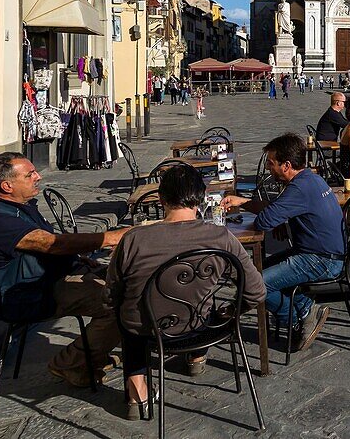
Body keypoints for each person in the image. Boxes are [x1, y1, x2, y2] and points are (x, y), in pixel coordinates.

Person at [106, 165, 265, 418]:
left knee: (128, 314)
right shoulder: (221, 237)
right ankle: (196, 359)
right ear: (201, 199)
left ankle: (138, 394)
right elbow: (256, 292)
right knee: (200, 298)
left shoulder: (134, 239)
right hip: (199, 327)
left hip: (146, 330)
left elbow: (112, 292)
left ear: (161, 199)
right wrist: (233, 311)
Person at [0, 153, 130, 387]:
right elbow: (53, 244)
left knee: (131, 281)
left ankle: (95, 352)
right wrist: (111, 237)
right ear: (7, 185)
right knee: (119, 303)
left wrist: (81, 260)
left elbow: (54, 248)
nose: (38, 176)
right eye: (30, 174)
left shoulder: (21, 207)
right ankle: (71, 362)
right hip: (33, 294)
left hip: (54, 278)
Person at [220, 133, 344, 353]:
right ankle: (301, 308)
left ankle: (301, 315)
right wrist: (244, 202)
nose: (269, 169)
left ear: (286, 165)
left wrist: (276, 218)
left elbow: (264, 221)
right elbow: (274, 210)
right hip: (317, 253)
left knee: (255, 284)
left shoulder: (299, 189)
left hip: (321, 260)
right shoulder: (310, 179)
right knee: (247, 274)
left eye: (271, 163)